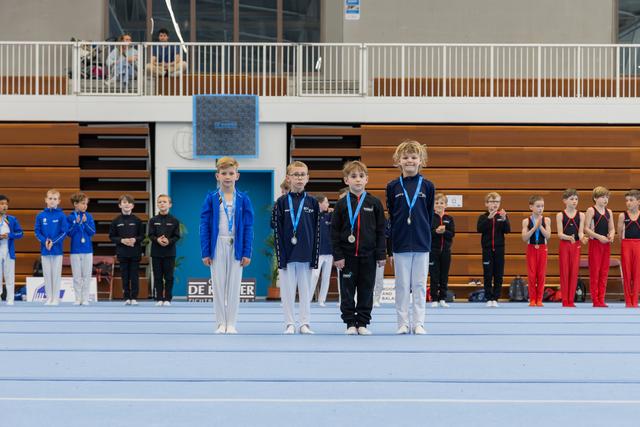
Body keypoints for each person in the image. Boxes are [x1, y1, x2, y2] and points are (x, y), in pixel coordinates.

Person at [386, 140, 435, 335]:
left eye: (413, 157)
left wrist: (424, 233)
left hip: (422, 242)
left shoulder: (428, 186)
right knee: (402, 285)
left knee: (419, 285)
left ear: (421, 160)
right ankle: (403, 323)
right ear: (398, 161)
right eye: (405, 157)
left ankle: (419, 322)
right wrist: (390, 245)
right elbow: (392, 214)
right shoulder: (392, 186)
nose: (409, 161)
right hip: (400, 241)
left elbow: (429, 214)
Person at [332, 161, 386, 335]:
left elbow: (381, 231)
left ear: (367, 179)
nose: (357, 180)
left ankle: (362, 322)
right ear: (346, 180)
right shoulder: (340, 205)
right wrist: (338, 255)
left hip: (368, 256)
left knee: (366, 290)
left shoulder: (375, 203)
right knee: (347, 291)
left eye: (361, 176)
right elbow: (334, 232)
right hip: (347, 257)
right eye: (353, 176)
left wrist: (381, 254)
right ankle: (349, 323)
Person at [200, 157, 253, 333]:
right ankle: (220, 323)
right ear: (217, 176)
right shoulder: (211, 198)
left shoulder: (244, 199)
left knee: (234, 286)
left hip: (236, 245)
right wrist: (205, 252)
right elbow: (204, 226)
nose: (227, 177)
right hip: (217, 244)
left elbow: (248, 227)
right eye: (224, 173)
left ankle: (231, 323)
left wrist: (247, 252)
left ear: (237, 175)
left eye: (231, 173)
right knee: (218, 286)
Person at [272, 161, 320, 334]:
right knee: (287, 292)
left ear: (307, 178)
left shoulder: (313, 203)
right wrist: (280, 257)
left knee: (306, 292)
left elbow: (317, 232)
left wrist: (315, 258)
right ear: (288, 178)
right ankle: (289, 323)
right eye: (296, 174)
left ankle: (305, 323)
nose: (299, 178)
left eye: (302, 174)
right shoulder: (281, 202)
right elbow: (276, 232)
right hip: (287, 255)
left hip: (307, 255)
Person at [109, 194, 145, 305]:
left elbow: (142, 236)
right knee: (124, 275)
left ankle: (134, 297)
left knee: (134, 275)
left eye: (129, 202)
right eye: (124, 202)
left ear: (133, 206)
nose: (127, 204)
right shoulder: (115, 221)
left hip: (135, 252)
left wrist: (134, 239)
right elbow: (112, 236)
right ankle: (126, 297)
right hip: (122, 252)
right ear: (120, 205)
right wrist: (122, 241)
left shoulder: (138, 221)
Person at [34, 189, 68, 305]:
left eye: (54, 199)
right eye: (50, 199)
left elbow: (64, 232)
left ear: (58, 201)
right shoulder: (40, 215)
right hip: (45, 250)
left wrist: (53, 242)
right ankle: (49, 297)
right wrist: (45, 241)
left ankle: (55, 298)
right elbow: (37, 231)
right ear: (46, 200)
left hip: (57, 250)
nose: (52, 201)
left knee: (56, 274)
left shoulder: (61, 215)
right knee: (47, 274)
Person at [477, 192, 510, 308]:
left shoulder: (502, 216)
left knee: (498, 274)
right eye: (492, 202)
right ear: (487, 204)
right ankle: (488, 297)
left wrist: (505, 219)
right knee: (488, 274)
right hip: (487, 250)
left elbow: (507, 230)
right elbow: (479, 229)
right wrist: (488, 219)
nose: (494, 204)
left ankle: (495, 297)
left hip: (499, 249)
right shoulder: (483, 217)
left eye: (497, 202)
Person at [584, 187, 615, 307]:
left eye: (607, 197)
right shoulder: (591, 210)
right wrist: (598, 237)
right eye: (602, 197)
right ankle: (595, 300)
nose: (605, 199)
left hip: (606, 244)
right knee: (595, 272)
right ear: (595, 198)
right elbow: (586, 228)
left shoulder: (609, 212)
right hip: (595, 244)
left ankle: (601, 299)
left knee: (604, 272)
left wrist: (611, 235)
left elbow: (611, 228)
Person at [149, 194, 181, 307]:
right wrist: (157, 239)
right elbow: (150, 235)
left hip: (169, 253)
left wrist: (169, 241)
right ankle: (159, 298)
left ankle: (167, 298)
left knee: (169, 276)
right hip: (156, 252)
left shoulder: (174, 221)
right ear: (157, 204)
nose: (162, 204)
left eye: (164, 202)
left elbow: (177, 236)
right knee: (157, 276)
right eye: (160, 202)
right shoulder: (153, 220)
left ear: (169, 204)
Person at [556, 189, 586, 307]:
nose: (574, 201)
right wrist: (568, 237)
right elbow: (559, 234)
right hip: (564, 245)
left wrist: (583, 238)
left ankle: (571, 300)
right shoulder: (560, 215)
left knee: (574, 272)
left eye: (576, 199)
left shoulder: (581, 215)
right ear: (565, 201)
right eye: (571, 199)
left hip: (576, 246)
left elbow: (580, 232)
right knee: (565, 272)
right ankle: (565, 300)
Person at [522, 195, 552, 307]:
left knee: (541, 275)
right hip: (531, 249)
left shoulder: (547, 220)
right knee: (532, 275)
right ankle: (532, 299)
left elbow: (548, 236)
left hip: (542, 249)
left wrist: (540, 226)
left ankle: (539, 299)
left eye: (542, 206)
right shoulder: (526, 221)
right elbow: (524, 238)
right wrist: (534, 228)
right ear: (531, 207)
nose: (540, 208)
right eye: (538, 206)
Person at [67, 192, 96, 305]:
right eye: (82, 203)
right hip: (75, 250)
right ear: (75, 204)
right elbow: (69, 233)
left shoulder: (88, 216)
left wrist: (85, 222)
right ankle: (77, 298)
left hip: (88, 250)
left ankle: (85, 298)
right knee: (77, 276)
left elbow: (92, 232)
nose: (85, 206)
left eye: (86, 204)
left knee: (87, 275)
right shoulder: (70, 217)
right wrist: (76, 223)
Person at [429, 193, 455, 308]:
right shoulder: (429, 217)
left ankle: (442, 298)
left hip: (445, 251)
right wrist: (436, 232)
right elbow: (427, 234)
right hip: (433, 251)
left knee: (444, 275)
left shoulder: (449, 219)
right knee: (434, 275)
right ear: (433, 205)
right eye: (437, 203)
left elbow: (452, 234)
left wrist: (444, 232)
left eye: (441, 203)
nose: (439, 205)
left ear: (446, 205)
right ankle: (434, 298)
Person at [618, 189, 640, 308]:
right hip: (626, 244)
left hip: (638, 245)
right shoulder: (622, 216)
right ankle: (628, 301)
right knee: (627, 273)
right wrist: (624, 245)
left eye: (631, 200)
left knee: (637, 274)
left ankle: (635, 301)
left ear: (638, 202)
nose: (628, 203)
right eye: (627, 200)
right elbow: (619, 233)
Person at [310, 194, 333, 306]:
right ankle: (308, 298)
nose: (328, 204)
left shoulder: (330, 216)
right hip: (317, 252)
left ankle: (321, 299)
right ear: (320, 203)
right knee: (314, 275)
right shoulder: (312, 216)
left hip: (329, 251)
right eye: (326, 202)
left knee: (326, 277)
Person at [0, 195, 23, 305]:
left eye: (6, 204)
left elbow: (20, 233)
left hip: (8, 251)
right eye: (2, 204)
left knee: (9, 275)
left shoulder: (12, 219)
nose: (4, 206)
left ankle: (10, 298)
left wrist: (9, 235)